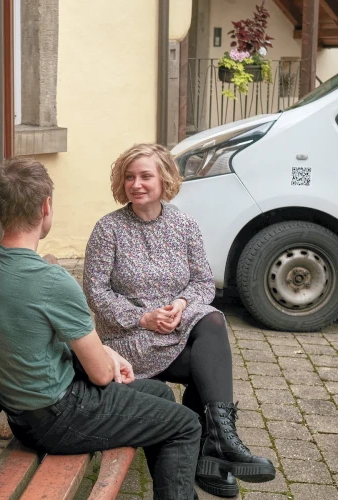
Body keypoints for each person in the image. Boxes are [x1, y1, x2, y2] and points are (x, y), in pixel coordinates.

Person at [0, 157, 202, 500]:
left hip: (24, 414)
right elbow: (102, 376)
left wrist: (107, 351)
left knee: (160, 394)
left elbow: (29, 335)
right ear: (46, 207)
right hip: (61, 417)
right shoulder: (51, 281)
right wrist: (106, 358)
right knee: (185, 425)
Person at [82, 143, 276, 498]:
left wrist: (181, 304)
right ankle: (212, 453)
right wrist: (144, 317)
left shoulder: (183, 224)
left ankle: (217, 440)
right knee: (209, 364)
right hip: (130, 342)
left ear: (164, 179)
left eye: (145, 176)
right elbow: (96, 294)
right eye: (129, 177)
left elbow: (203, 282)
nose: (136, 184)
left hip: (175, 330)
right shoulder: (108, 229)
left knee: (211, 324)